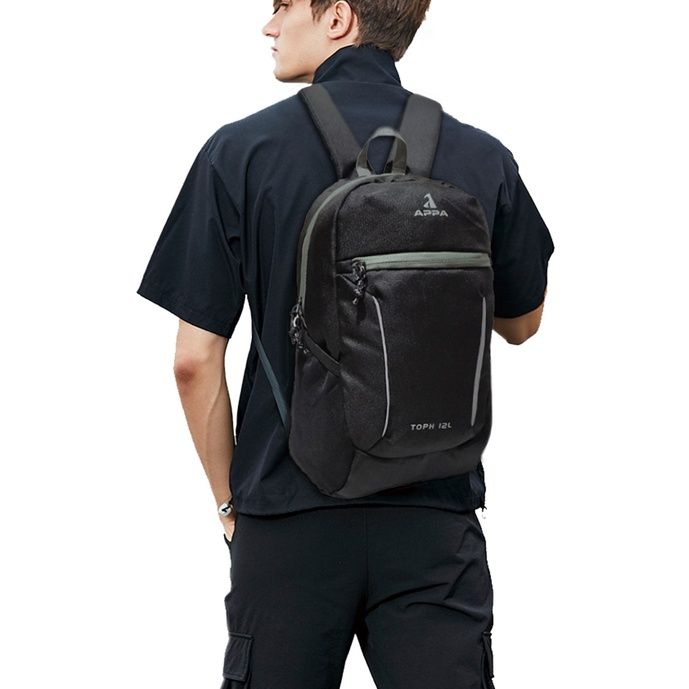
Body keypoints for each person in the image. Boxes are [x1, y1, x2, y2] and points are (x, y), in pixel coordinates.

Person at [136, 1, 555, 687]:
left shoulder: (241, 151)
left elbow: (193, 361)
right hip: (435, 516)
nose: (269, 26)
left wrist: (229, 505)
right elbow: (521, 323)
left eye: (281, 6)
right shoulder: (482, 156)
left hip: (288, 510)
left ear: (337, 17)